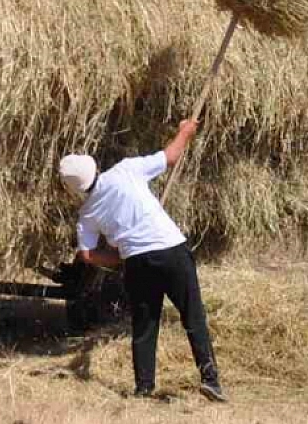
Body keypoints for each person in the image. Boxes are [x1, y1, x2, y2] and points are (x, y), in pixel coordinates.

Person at [60, 119, 225, 403]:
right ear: (94, 166)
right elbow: (171, 156)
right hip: (171, 250)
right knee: (193, 316)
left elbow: (86, 254)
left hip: (136, 263)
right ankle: (210, 380)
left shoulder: (87, 213)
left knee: (145, 325)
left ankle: (144, 387)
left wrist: (118, 257)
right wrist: (185, 132)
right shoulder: (125, 170)